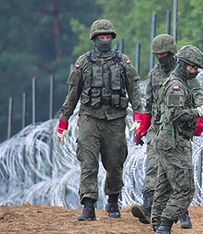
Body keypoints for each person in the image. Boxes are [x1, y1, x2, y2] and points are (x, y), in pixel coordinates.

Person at [56, 19, 147, 221]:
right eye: (101, 37)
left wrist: (140, 117)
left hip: (115, 120)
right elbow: (72, 95)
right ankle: (88, 206)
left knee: (115, 163)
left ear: (112, 38)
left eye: (107, 37)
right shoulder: (84, 63)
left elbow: (134, 91)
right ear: (94, 39)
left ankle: (113, 201)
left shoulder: (122, 62)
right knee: (88, 163)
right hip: (90, 119)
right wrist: (63, 122)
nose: (104, 40)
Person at [131, 34, 202, 229]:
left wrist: (199, 118)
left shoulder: (185, 73)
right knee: (156, 168)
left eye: (164, 54)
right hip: (158, 128)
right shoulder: (154, 74)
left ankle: (181, 215)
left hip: (177, 130)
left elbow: (198, 96)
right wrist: (142, 127)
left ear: (172, 53)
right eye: (158, 54)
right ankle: (148, 208)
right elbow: (149, 102)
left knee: (176, 176)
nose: (161, 57)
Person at [151, 45, 203, 233]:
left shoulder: (183, 83)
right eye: (193, 67)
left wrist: (201, 106)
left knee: (164, 185)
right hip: (174, 142)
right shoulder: (176, 85)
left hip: (170, 140)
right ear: (184, 65)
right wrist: (198, 112)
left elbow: (196, 94)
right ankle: (165, 224)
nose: (195, 71)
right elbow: (174, 114)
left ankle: (157, 225)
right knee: (185, 188)